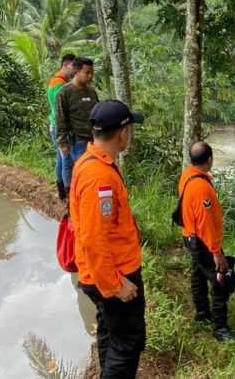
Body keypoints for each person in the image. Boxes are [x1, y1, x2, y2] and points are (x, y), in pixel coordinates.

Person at [70, 100, 145, 378]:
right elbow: (93, 237)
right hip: (114, 275)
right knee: (127, 343)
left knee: (110, 333)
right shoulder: (98, 176)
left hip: (102, 272)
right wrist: (114, 285)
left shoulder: (92, 162)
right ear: (123, 132)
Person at [178, 141, 235, 342]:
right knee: (221, 279)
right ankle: (220, 329)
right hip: (203, 240)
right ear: (210, 159)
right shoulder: (202, 187)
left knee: (197, 273)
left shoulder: (187, 175)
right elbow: (206, 223)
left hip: (190, 235)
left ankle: (202, 313)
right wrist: (216, 252)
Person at [55, 57, 99, 196]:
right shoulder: (64, 93)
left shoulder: (92, 92)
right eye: (87, 73)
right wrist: (62, 142)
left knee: (92, 170)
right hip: (77, 140)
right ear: (76, 71)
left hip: (93, 140)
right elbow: (60, 119)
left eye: (92, 72)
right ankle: (71, 197)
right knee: (79, 170)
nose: (90, 76)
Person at [47, 53, 75, 200]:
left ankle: (61, 191)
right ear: (65, 65)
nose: (74, 70)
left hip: (55, 125)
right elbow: (61, 108)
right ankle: (68, 193)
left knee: (60, 158)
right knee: (67, 160)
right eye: (73, 66)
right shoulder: (59, 83)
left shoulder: (57, 81)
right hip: (59, 126)